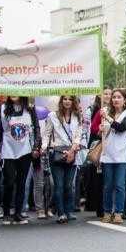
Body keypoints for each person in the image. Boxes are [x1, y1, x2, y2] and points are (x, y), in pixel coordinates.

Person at [0, 96, 40, 225]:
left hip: (25, 150)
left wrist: (36, 147)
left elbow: (36, 128)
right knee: (9, 182)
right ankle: (7, 212)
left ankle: (18, 212)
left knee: (21, 183)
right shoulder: (3, 109)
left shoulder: (29, 109)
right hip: (8, 150)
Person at [43, 94, 84, 224]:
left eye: (70, 99)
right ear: (61, 101)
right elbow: (47, 134)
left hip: (72, 152)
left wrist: (72, 150)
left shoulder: (77, 116)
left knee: (69, 185)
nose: (67, 101)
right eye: (65, 99)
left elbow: (78, 135)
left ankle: (69, 211)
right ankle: (60, 213)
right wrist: (43, 147)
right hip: (57, 152)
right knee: (59, 185)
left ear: (74, 102)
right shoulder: (52, 116)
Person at [100, 88, 126, 224]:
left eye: (119, 97)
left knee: (120, 185)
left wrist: (108, 118)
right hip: (107, 153)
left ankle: (119, 212)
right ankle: (107, 211)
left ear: (125, 100)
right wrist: (101, 128)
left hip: (121, 153)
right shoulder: (106, 112)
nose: (115, 99)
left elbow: (122, 128)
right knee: (108, 185)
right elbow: (103, 132)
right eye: (114, 97)